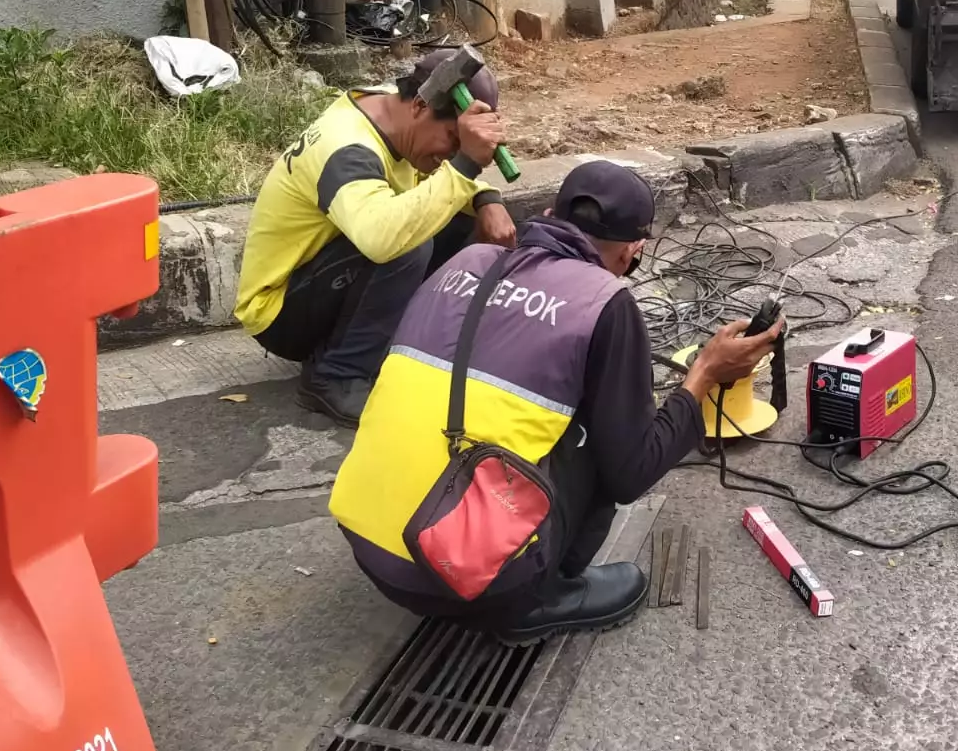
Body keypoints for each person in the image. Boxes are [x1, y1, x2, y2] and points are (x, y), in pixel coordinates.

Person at [329, 160, 783, 644]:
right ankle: (537, 595)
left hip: (374, 552)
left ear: (549, 213)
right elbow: (631, 473)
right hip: (472, 581)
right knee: (604, 432)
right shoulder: (604, 301)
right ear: (634, 250)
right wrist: (706, 373)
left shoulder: (464, 262)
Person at [233, 48, 517, 427]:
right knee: (407, 241)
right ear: (419, 106)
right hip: (280, 312)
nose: (450, 154)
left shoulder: (393, 107)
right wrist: (465, 164)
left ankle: (400, 342)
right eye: (452, 139)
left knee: (457, 209)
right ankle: (337, 375)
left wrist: (486, 198)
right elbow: (382, 238)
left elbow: (446, 186)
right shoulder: (346, 148)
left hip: (323, 279)